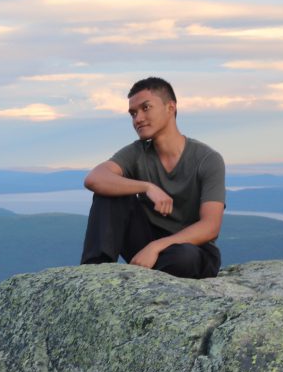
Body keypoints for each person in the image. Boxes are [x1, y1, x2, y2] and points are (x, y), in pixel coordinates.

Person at [81, 77, 225, 279]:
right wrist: (146, 187)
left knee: (184, 256)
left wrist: (156, 247)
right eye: (133, 113)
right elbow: (94, 179)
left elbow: (210, 226)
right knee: (110, 193)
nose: (138, 118)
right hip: (145, 247)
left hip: (191, 251)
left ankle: (140, 276)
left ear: (170, 107)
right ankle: (95, 275)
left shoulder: (207, 159)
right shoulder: (137, 152)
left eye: (146, 108)